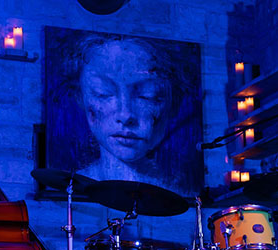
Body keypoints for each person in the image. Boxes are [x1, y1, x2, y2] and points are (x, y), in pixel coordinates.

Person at [46, 29, 202, 196]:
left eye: (147, 95)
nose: (125, 115)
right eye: (103, 92)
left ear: (174, 103)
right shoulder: (71, 187)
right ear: (81, 97)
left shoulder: (183, 193)